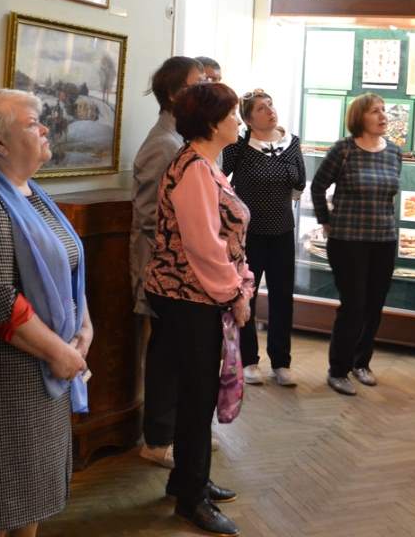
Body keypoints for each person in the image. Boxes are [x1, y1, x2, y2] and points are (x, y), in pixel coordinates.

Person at [0, 90, 93, 537]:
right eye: (33, 123)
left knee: (32, 496)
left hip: (46, 370)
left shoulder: (33, 194)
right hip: (7, 379)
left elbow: (69, 268)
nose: (46, 128)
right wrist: (59, 352)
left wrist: (84, 328)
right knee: (0, 505)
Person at [145, 82, 252, 536]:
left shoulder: (205, 165)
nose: (239, 121)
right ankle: (192, 499)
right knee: (197, 395)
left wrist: (237, 284)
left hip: (193, 295)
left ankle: (188, 479)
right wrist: (234, 293)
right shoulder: (193, 169)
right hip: (188, 298)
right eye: (232, 114)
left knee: (196, 393)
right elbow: (204, 247)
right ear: (211, 122)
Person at [130, 56, 205, 467]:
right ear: (176, 94)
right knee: (166, 354)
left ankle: (176, 433)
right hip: (164, 270)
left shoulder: (180, 139)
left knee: (179, 354)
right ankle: (158, 439)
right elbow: (148, 216)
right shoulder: (163, 144)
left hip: (180, 270)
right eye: (198, 83)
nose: (205, 88)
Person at [310, 93, 402, 396]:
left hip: (384, 239)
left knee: (375, 305)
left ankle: (362, 363)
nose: (383, 116)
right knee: (354, 305)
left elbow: (389, 195)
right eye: (375, 111)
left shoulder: (394, 152)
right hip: (348, 240)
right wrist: (325, 220)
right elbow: (318, 185)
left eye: (384, 110)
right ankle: (338, 370)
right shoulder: (344, 149)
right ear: (359, 117)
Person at [222, 88, 306, 387]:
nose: (270, 111)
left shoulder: (290, 143)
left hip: (282, 231)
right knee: (247, 295)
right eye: (261, 108)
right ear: (248, 119)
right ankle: (249, 360)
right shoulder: (239, 145)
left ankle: (281, 362)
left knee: (283, 297)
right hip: (249, 235)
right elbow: (218, 176)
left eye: (271, 105)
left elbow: (300, 182)